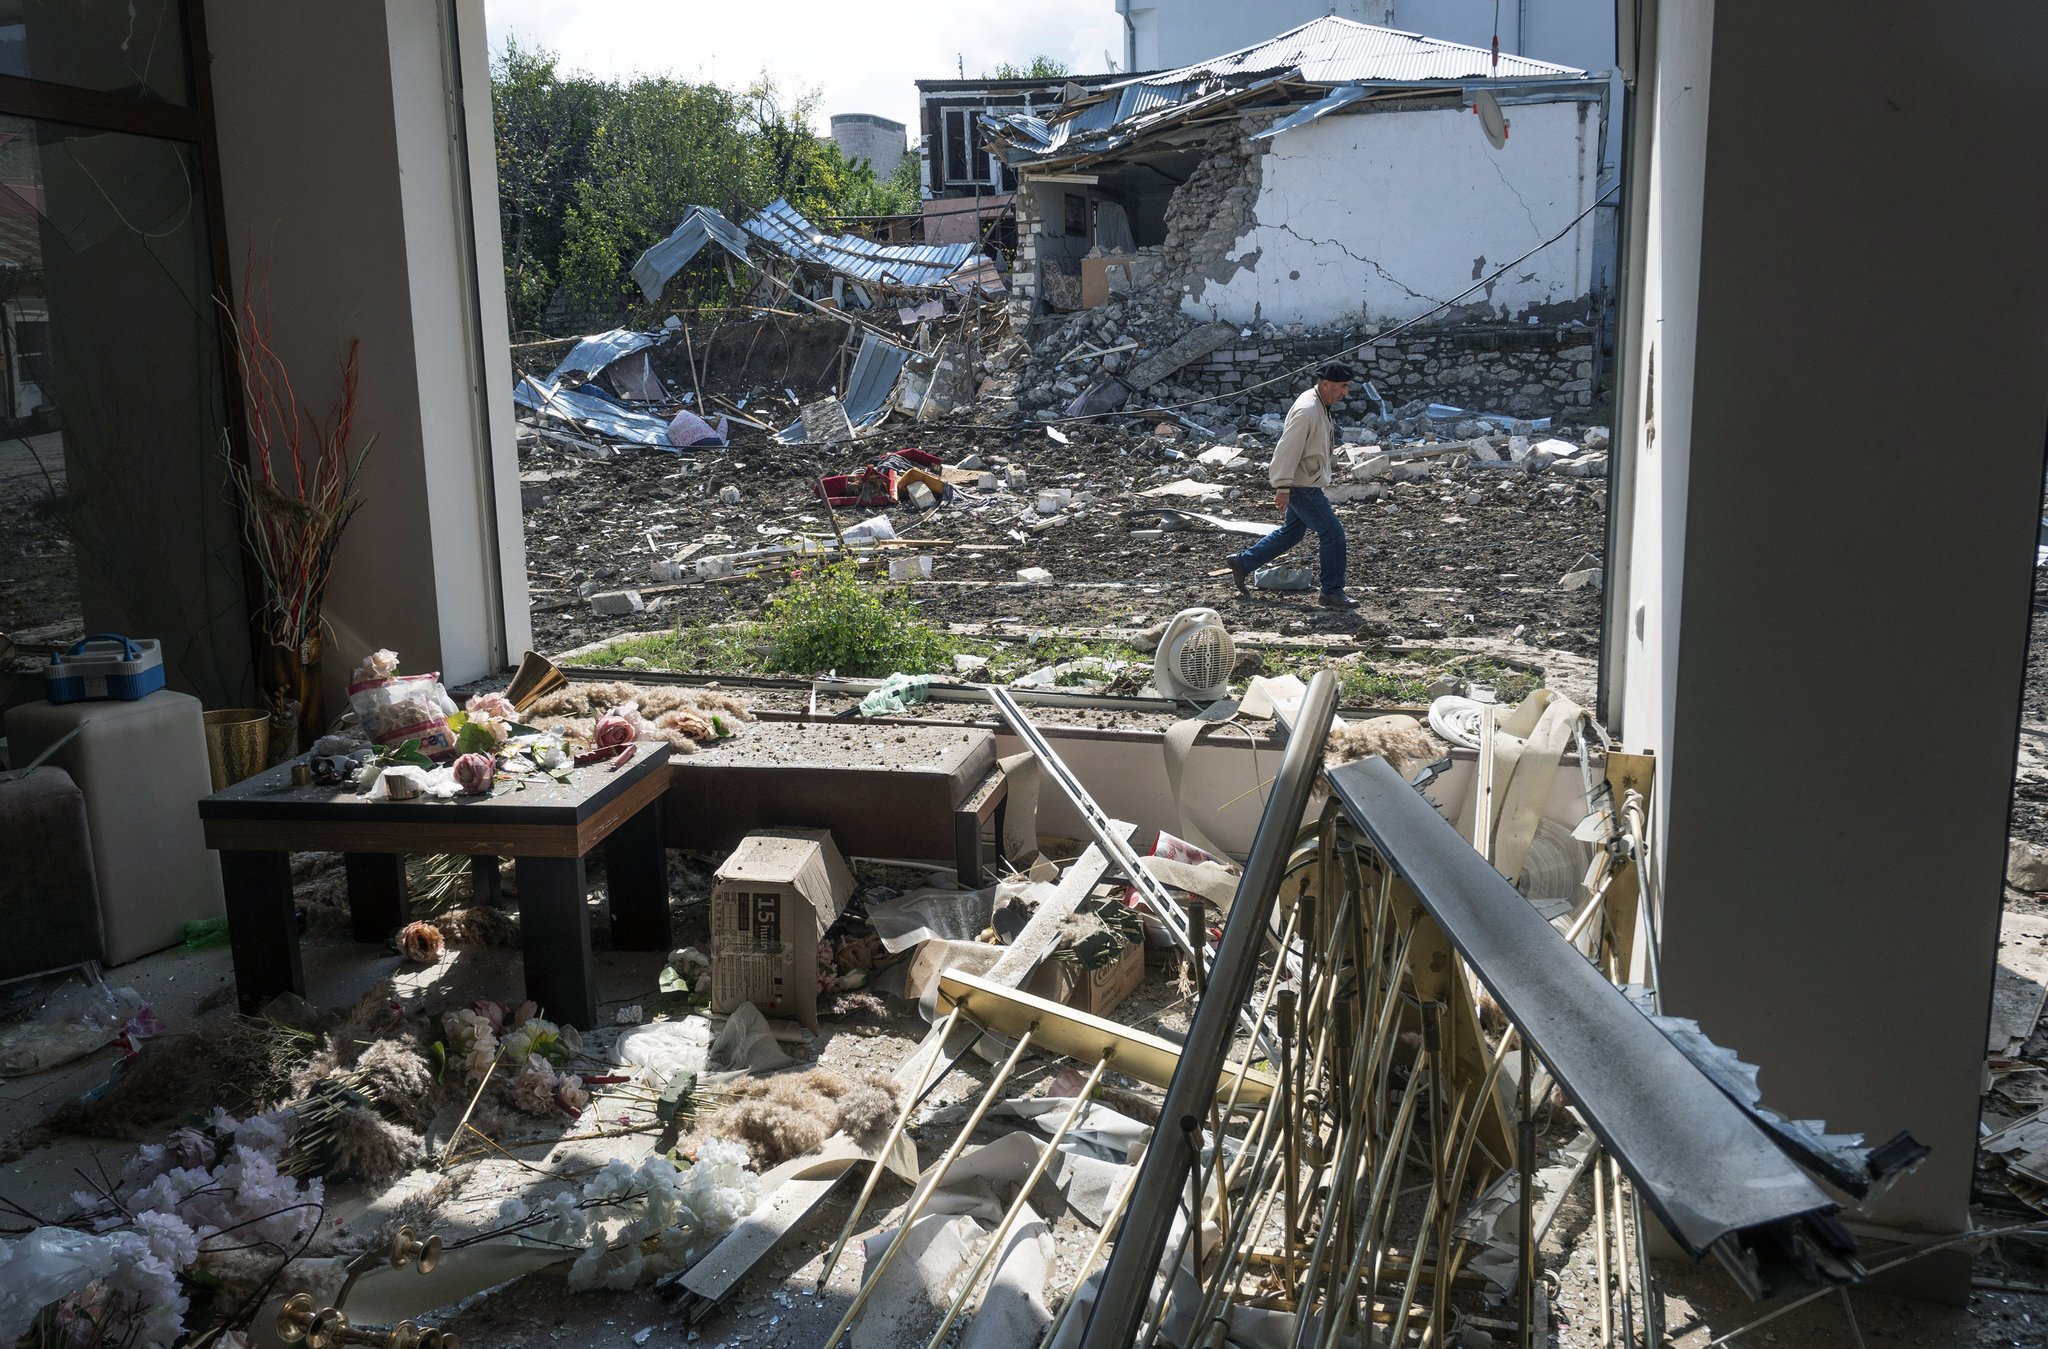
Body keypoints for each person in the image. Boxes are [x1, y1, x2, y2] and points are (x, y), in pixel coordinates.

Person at [1226, 361, 1359, 609]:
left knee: (1292, 533)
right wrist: (1283, 486)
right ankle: (1331, 592)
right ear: (1325, 384)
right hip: (1302, 486)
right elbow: (1286, 449)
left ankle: (1243, 563)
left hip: (1306, 480)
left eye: (1347, 387)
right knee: (1333, 533)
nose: (1345, 393)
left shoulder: (1319, 403)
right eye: (1342, 387)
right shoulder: (1308, 409)